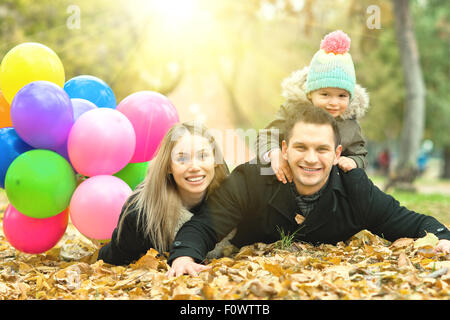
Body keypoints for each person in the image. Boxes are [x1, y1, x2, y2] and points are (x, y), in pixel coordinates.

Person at [167, 105, 450, 277]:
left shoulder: (356, 190)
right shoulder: (250, 179)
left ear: (337, 153)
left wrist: (443, 238)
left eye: (322, 149)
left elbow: (410, 221)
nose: (311, 159)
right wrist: (183, 256)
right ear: (285, 149)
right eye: (301, 147)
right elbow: (205, 225)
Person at [97, 121, 230, 266]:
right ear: (168, 167)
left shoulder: (231, 193)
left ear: (215, 160)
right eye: (182, 158)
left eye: (203, 156)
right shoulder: (140, 216)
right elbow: (114, 258)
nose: (194, 167)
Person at [256, 30, 369, 184]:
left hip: (328, 187)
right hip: (288, 179)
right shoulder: (293, 110)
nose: (334, 102)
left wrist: (354, 162)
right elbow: (267, 136)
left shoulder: (350, 124)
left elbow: (360, 153)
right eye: (325, 94)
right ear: (310, 94)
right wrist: (274, 154)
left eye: (342, 96)